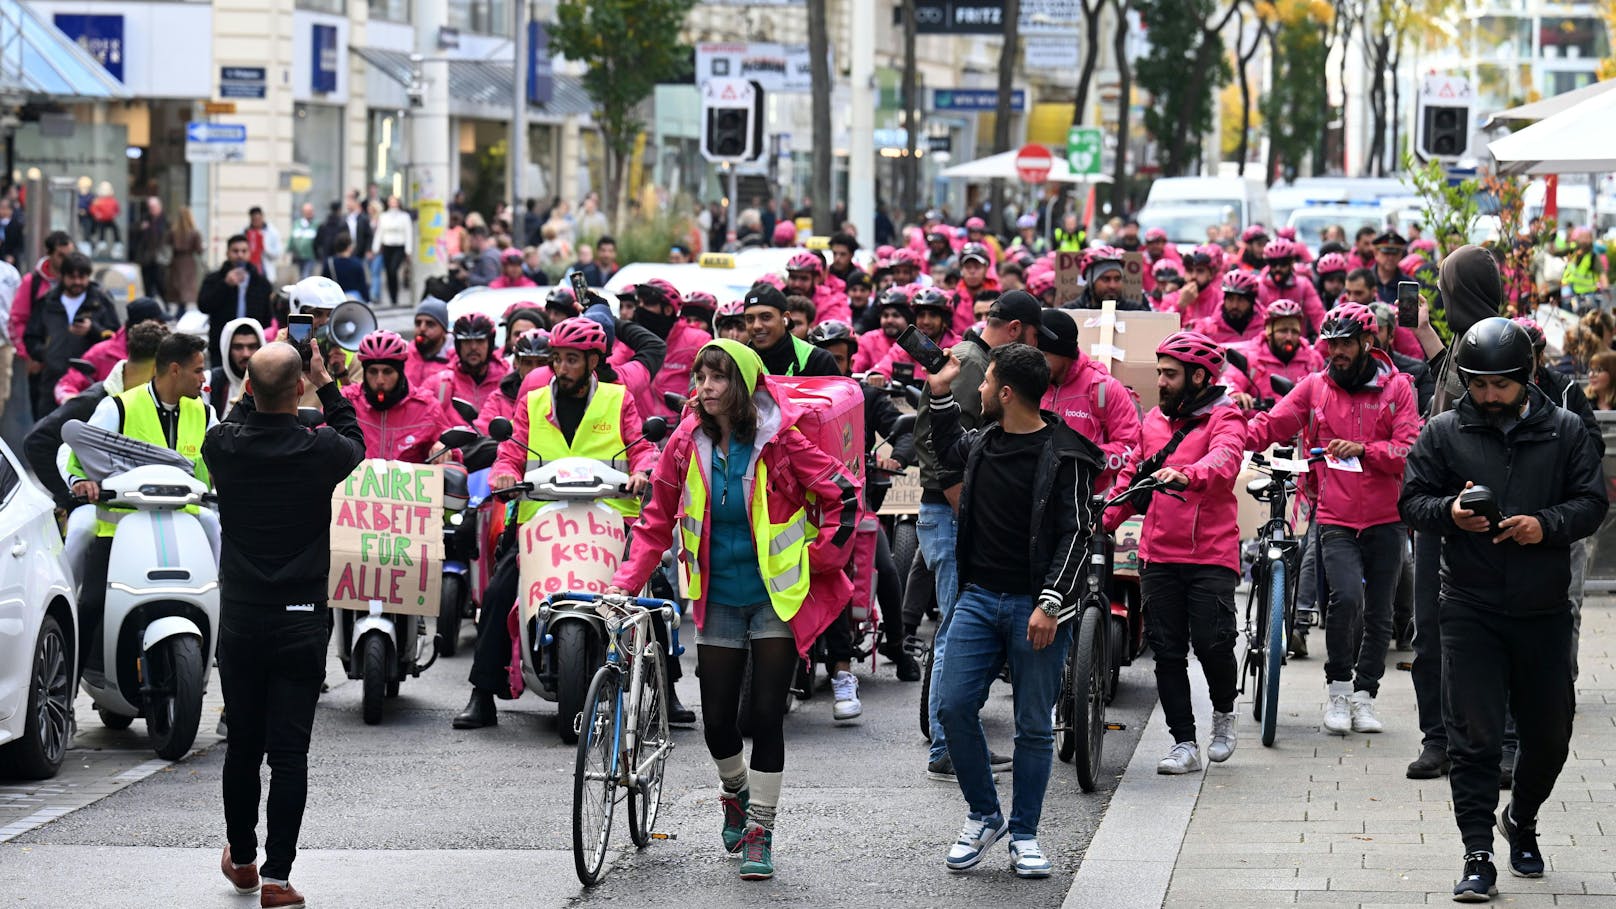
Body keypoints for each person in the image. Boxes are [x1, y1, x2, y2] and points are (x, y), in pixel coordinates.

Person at [606, 339, 861, 881]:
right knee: (718, 723)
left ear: (742, 386)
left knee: (765, 717)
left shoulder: (781, 440)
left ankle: (760, 832)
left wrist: (820, 558)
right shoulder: (683, 442)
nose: (706, 388)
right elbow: (656, 518)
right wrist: (626, 583)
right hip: (717, 596)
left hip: (776, 598)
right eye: (701, 377)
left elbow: (845, 494)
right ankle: (736, 792)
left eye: (719, 378)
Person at [1398, 317, 1607, 903]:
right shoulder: (1443, 431)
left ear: (1526, 377)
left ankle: (1522, 819)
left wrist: (1546, 525)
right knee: (1475, 737)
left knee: (1549, 738)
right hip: (1469, 606)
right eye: (1478, 384)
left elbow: (1592, 502)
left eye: (1500, 386)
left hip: (1543, 610)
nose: (1488, 396)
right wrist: (1450, 514)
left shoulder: (1565, 431)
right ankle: (1477, 854)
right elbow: (1411, 501)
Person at [924, 342, 1102, 879]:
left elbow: (1078, 533)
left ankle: (1024, 834)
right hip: (978, 599)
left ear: (1005, 392)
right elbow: (949, 446)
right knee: (953, 708)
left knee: (1033, 727)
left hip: (1037, 608)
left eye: (984, 383)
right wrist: (937, 396)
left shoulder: (1068, 454)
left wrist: (1050, 603)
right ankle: (984, 815)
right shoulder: (983, 442)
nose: (976, 390)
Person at [204, 339, 366, 909]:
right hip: (301, 619)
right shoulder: (320, 449)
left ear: (247, 389)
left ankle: (243, 860)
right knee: (289, 753)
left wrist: (260, 385)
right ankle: (278, 877)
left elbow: (238, 416)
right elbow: (356, 440)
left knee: (243, 745)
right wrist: (325, 380)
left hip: (244, 620)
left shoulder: (222, 445)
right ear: (299, 388)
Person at [455, 317, 661, 729]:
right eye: (557, 359)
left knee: (655, 591)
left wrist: (644, 470)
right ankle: (482, 694)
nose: (562, 368)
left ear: (593, 362)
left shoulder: (618, 400)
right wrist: (503, 473)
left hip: (608, 521)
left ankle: (664, 691)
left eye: (572, 360)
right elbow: (512, 450)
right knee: (497, 593)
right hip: (542, 524)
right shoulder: (532, 401)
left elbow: (641, 447)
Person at [1246, 302, 1420, 734]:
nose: (1336, 352)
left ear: (1367, 342)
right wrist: (1228, 431)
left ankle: (1365, 697)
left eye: (1344, 344)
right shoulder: (1314, 387)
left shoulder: (1398, 389)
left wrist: (1365, 449)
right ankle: (1339, 691)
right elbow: (1273, 424)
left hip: (1386, 518)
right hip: (1335, 516)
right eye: (1330, 344)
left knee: (1379, 612)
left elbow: (1409, 451)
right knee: (1345, 599)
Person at [912, 291, 1051, 781]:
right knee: (956, 628)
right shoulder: (974, 363)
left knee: (958, 626)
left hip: (950, 515)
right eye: (1034, 337)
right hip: (948, 514)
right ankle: (947, 747)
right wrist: (972, 511)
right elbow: (937, 450)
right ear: (1015, 329)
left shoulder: (974, 359)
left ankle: (954, 740)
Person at [1104, 331, 1245, 774]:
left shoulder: (1226, 417)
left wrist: (1188, 474)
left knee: (1213, 643)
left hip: (1211, 555)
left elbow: (1226, 459)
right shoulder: (1152, 423)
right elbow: (1132, 477)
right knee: (1166, 651)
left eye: (1170, 374)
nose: (1160, 382)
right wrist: (1099, 517)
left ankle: (1224, 716)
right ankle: (1184, 743)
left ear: (1200, 376)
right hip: (1158, 555)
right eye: (1159, 373)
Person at [63, 332, 218, 675]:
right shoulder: (118, 406)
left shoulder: (205, 413)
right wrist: (81, 482)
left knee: (214, 598)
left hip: (183, 529)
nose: (204, 378)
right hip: (119, 529)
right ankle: (68, 690)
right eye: (198, 370)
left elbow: (221, 464)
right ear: (174, 370)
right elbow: (74, 455)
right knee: (90, 605)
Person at [807, 318, 922, 690]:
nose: (832, 365)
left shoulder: (866, 396)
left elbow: (906, 434)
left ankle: (898, 645)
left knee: (886, 568)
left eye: (838, 358)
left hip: (855, 506)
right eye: (824, 357)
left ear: (850, 359)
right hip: (805, 506)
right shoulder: (799, 396)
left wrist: (897, 459)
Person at [25, 320, 169, 511]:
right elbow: (36, 442)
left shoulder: (154, 402)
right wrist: (72, 494)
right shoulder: (94, 402)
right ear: (155, 367)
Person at [1036, 307, 1141, 489]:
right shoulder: (1033, 382)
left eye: (1043, 356)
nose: (1036, 363)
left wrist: (1081, 458)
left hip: (1088, 501)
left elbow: (1131, 449)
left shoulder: (1104, 389)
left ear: (1064, 354)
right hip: (1039, 497)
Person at [24, 252, 121, 416]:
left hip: (89, 382)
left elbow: (115, 339)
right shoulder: (47, 302)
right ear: (62, 276)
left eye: (82, 277)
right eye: (72, 277)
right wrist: (46, 354)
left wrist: (93, 330)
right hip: (51, 379)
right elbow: (31, 336)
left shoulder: (101, 301)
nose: (77, 282)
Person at [340, 330, 454, 462]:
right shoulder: (346, 401)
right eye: (373, 372)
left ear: (400, 372)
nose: (380, 380)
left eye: (387, 372)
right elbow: (320, 439)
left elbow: (454, 453)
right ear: (365, 372)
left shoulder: (427, 407)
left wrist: (444, 447)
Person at [52, 296, 166, 405]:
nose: (164, 327)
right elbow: (65, 385)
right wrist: (74, 404)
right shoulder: (101, 353)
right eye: (159, 322)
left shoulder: (168, 353)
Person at [1226, 299, 1323, 410]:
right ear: (1269, 331)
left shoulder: (1314, 359)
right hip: (1258, 423)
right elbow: (1230, 380)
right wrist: (1236, 394)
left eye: (1294, 331)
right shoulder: (1250, 356)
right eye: (1283, 331)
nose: (1289, 337)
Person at [199, 235, 275, 368]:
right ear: (228, 253)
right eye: (235, 251)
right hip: (221, 344)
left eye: (244, 251)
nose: (240, 255)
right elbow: (204, 305)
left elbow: (267, 316)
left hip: (252, 345)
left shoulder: (261, 282)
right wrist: (225, 285)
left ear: (249, 253)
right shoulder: (214, 278)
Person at [741, 284, 840, 377]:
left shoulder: (818, 360)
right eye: (750, 319)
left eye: (766, 317)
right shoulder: (738, 362)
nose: (756, 326)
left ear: (785, 318)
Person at [1256, 238, 1326, 338]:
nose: (1278, 268)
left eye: (1283, 262)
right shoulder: (1258, 286)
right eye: (1273, 263)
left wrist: (1325, 343)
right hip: (1265, 347)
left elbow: (1318, 316)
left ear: (1291, 262)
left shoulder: (1303, 285)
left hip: (1297, 345)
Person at [442, 314, 510, 414]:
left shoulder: (507, 381)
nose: (473, 347)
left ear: (490, 344)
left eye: (480, 341)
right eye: (466, 341)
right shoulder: (441, 384)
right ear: (458, 345)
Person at [210, 318, 266, 416]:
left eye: (252, 347)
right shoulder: (210, 381)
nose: (246, 354)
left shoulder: (272, 383)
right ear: (227, 349)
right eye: (238, 347)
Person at [1192, 270, 1265, 345]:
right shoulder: (1206, 329)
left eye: (1241, 300)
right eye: (1230, 299)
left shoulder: (1265, 327)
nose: (1234, 305)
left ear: (1252, 301)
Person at [406, 298, 456, 388]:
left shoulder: (455, 361)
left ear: (444, 330)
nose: (422, 328)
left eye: (430, 324)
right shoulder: (405, 355)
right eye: (418, 323)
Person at [372, 195, 412, 306]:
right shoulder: (384, 216)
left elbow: (408, 233)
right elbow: (380, 232)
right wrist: (375, 247)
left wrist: (408, 250)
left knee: (394, 270)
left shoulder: (404, 216)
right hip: (387, 246)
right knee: (389, 272)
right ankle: (392, 297)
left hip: (399, 246)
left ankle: (395, 295)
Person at [166, 207, 205, 313]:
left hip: (176, 261)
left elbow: (167, 246)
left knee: (177, 286)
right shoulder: (194, 233)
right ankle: (184, 310)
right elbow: (199, 250)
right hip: (189, 262)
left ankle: (178, 310)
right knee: (187, 287)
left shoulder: (173, 232)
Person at [245, 206, 284, 285]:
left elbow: (278, 252)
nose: (256, 222)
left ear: (262, 217)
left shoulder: (272, 232)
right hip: (250, 271)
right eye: (254, 219)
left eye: (258, 219)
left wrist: (264, 248)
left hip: (266, 271)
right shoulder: (245, 231)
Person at [288, 203, 319, 280]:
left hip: (311, 255)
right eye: (307, 211)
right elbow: (292, 238)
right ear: (303, 212)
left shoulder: (316, 224)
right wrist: (288, 250)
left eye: (311, 211)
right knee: (301, 275)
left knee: (306, 276)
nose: (309, 213)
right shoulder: (297, 224)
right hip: (299, 256)